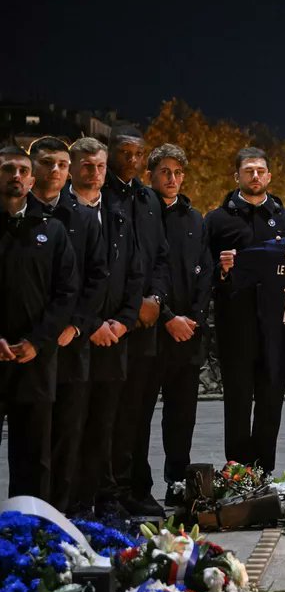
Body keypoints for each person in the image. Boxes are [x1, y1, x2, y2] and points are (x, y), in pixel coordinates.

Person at [205, 147, 285, 474]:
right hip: (236, 329)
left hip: (276, 329)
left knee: (272, 403)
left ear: (270, 176)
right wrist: (222, 269)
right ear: (237, 176)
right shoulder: (217, 220)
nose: (255, 176)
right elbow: (203, 272)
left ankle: (263, 471)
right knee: (237, 402)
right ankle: (237, 472)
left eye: (260, 170)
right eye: (249, 171)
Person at [28, 138, 106, 512]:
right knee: (31, 441)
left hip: (71, 344)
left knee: (67, 436)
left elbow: (96, 278)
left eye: (61, 164)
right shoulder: (17, 214)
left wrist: (75, 326)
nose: (55, 171)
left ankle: (59, 515)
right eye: (48, 163)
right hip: (27, 344)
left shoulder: (85, 217)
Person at [68, 138, 143, 515]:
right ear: (72, 167)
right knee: (72, 425)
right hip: (77, 338)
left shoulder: (117, 211)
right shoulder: (61, 213)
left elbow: (134, 270)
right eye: (87, 165)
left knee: (106, 425)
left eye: (99, 166)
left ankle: (103, 498)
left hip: (115, 335)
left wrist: (124, 321)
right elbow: (68, 281)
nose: (95, 173)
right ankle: (73, 503)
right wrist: (90, 323)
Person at [0, 146, 78, 498]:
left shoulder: (54, 230)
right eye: (7, 169)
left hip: (36, 359)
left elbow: (66, 293)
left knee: (34, 456)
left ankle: (30, 534)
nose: (15, 176)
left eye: (21, 170)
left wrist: (37, 340)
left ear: (31, 180)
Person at [105, 126, 170, 515]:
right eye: (125, 153)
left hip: (146, 323)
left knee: (140, 412)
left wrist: (157, 300)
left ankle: (134, 487)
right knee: (109, 413)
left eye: (137, 154)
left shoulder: (148, 199)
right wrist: (131, 309)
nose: (132, 160)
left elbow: (159, 257)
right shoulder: (101, 195)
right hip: (114, 325)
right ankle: (106, 492)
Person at [148, 144, 212, 504]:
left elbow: (206, 274)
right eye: (164, 172)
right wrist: (169, 318)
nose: (172, 179)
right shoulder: (141, 212)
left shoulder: (195, 218)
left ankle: (176, 483)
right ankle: (134, 486)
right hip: (152, 332)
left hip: (188, 333)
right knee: (137, 416)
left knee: (181, 417)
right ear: (151, 176)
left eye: (177, 172)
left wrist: (194, 320)